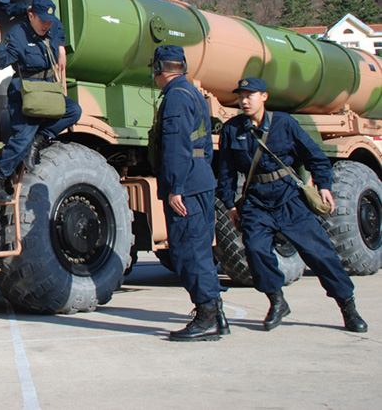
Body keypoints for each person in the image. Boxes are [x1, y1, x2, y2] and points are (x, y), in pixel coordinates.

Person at [216, 77, 368, 333]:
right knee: (255, 251)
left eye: (250, 95)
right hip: (256, 202)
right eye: (240, 96)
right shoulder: (232, 129)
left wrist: (325, 186)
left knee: (321, 255)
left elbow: (316, 157)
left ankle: (348, 308)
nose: (244, 100)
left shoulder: (284, 124)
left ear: (263, 97)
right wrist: (230, 205)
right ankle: (277, 301)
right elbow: (226, 172)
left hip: (289, 199)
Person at [150, 45, 226, 342]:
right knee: (200, 249)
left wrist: (176, 188)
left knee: (188, 252)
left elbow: (175, 145)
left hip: (187, 185)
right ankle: (216, 314)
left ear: (159, 68)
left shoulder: (176, 98)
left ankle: (207, 316)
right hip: (200, 178)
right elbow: (204, 146)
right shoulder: (193, 93)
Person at [0, 0, 80, 203]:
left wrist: (61, 49)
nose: (47, 24)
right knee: (21, 140)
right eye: (42, 20)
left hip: (47, 89)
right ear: (31, 16)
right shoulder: (18, 33)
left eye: (50, 20)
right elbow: (2, 63)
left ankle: (40, 139)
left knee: (73, 111)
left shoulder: (52, 28)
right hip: (25, 91)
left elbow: (60, 31)